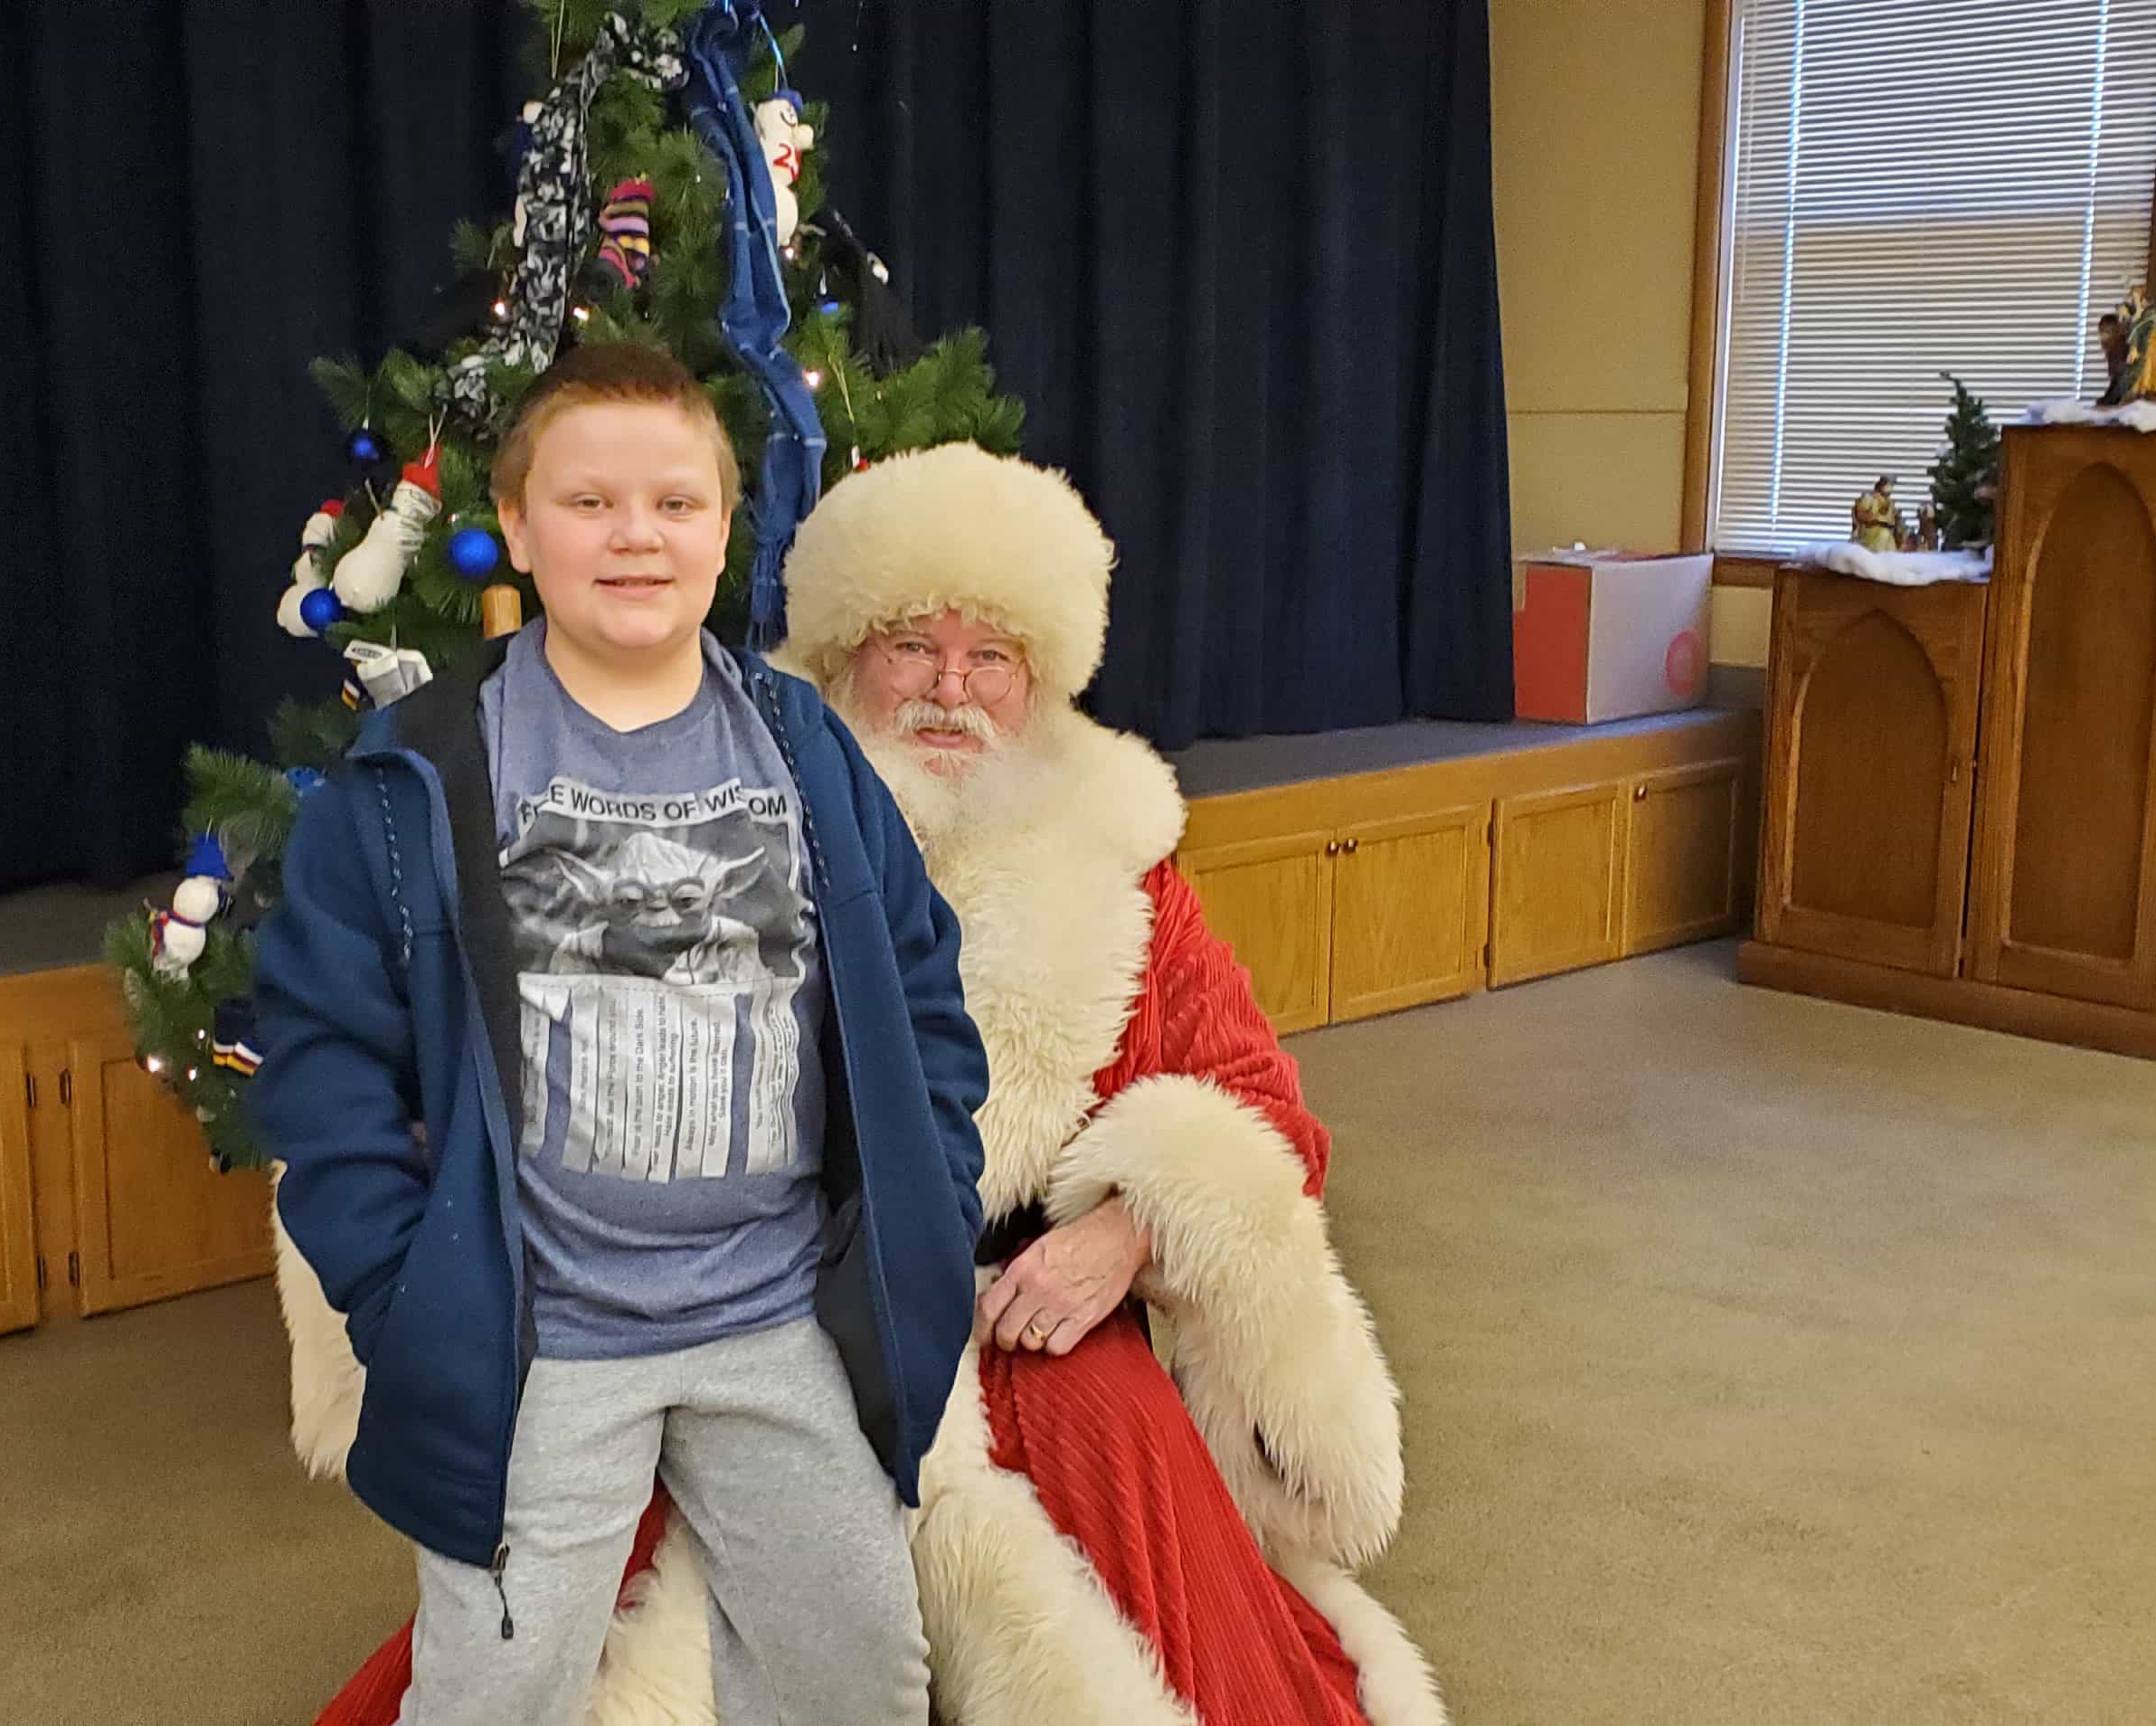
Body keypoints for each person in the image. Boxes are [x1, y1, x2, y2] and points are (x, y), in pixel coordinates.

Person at [292, 444, 1442, 1726]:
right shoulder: (728, 795)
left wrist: (1124, 1235)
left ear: (1040, 677)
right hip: (762, 1302)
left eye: (989, 655)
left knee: (1134, 1529)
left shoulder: (1118, 864)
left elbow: (1259, 1106)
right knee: (625, 1617)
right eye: (911, 647)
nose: (950, 689)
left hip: (1027, 1310)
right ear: (843, 655)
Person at [252, 342, 987, 1726]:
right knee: (494, 1690)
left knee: (860, 1678)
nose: (635, 535)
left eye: (675, 503)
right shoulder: (419, 773)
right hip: (544, 1331)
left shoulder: (802, 746)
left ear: (725, 528)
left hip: (778, 1315)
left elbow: (921, 990)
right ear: (517, 526)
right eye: (589, 503)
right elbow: (323, 1055)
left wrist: (928, 1212)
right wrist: (405, 1291)